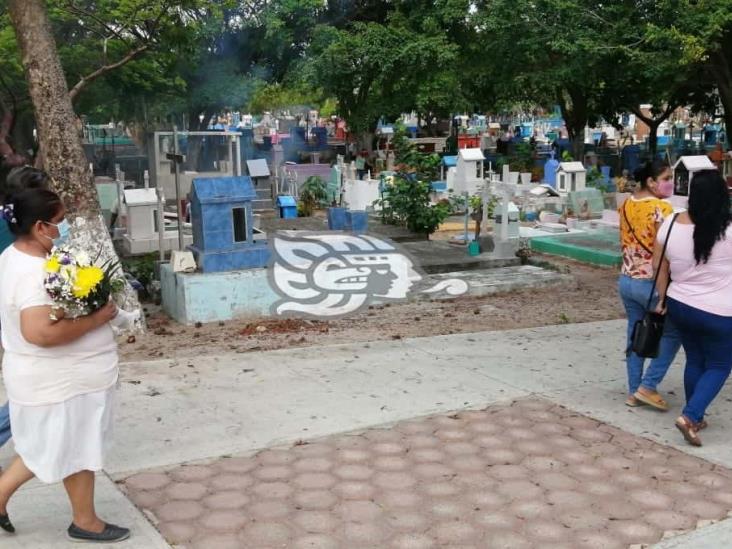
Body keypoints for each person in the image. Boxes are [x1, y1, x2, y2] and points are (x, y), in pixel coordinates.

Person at [0, 188, 129, 542]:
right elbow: (39, 332)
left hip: (57, 378)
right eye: (60, 222)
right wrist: (99, 317)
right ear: (40, 226)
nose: (65, 227)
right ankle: (84, 521)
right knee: (61, 448)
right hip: (58, 379)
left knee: (63, 446)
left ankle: (84, 519)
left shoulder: (14, 257)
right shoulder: (32, 273)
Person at [654, 169, 732, 447]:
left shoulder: (671, 224)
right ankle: (690, 416)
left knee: (695, 360)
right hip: (719, 311)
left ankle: (695, 415)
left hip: (679, 305)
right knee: (721, 364)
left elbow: (658, 266)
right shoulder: (728, 229)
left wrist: (662, 299)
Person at [617, 160, 681, 410]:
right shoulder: (661, 208)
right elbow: (661, 257)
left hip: (626, 279)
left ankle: (634, 391)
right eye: (666, 178)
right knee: (673, 334)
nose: (671, 183)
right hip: (651, 282)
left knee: (636, 334)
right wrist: (664, 295)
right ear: (651, 182)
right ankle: (648, 386)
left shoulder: (626, 204)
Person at [0, 166, 52, 452]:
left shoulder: (14, 223)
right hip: (17, 308)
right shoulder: (31, 232)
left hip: (10, 307)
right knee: (31, 391)